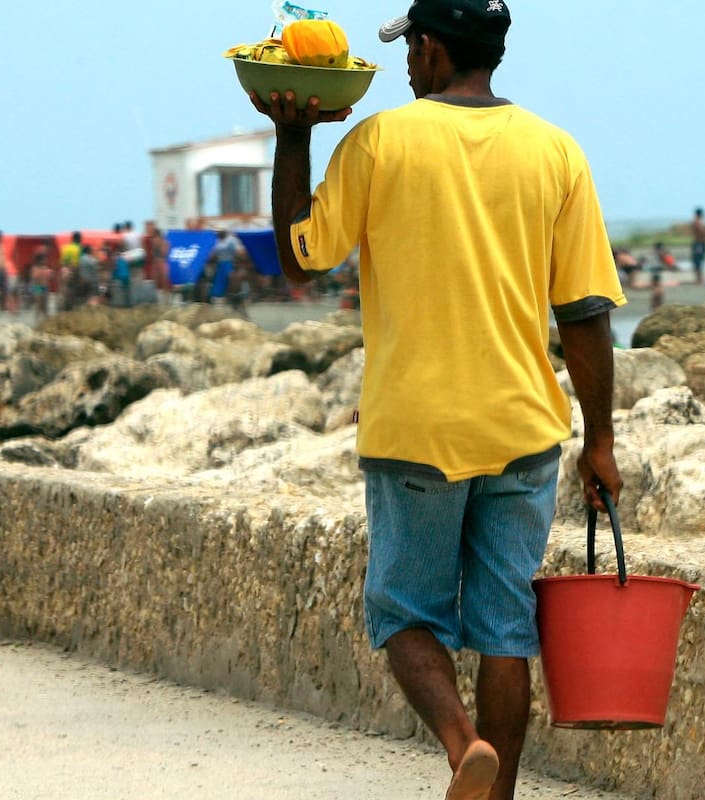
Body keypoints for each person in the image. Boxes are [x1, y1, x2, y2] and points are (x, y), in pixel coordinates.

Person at [249, 2, 625, 797]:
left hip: (414, 428)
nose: (410, 65)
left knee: (403, 610)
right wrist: (600, 441)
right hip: (523, 428)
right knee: (505, 633)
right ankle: (499, 792)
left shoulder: (382, 140)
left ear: (433, 49)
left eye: (413, 49)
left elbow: (299, 259)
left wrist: (292, 137)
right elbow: (585, 314)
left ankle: (462, 747)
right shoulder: (557, 152)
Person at [207, 229, 240, 301]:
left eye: (221, 234)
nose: (219, 235)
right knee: (219, 279)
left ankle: (230, 295)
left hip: (229, 262)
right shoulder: (216, 242)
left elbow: (235, 253)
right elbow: (213, 253)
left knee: (229, 278)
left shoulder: (230, 241)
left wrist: (235, 262)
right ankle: (218, 294)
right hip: (220, 263)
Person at [690, 207, 705, 285]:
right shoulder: (697, 222)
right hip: (699, 243)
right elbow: (702, 232)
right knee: (698, 261)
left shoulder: (697, 222)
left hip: (699, 243)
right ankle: (699, 279)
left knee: (699, 261)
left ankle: (699, 278)